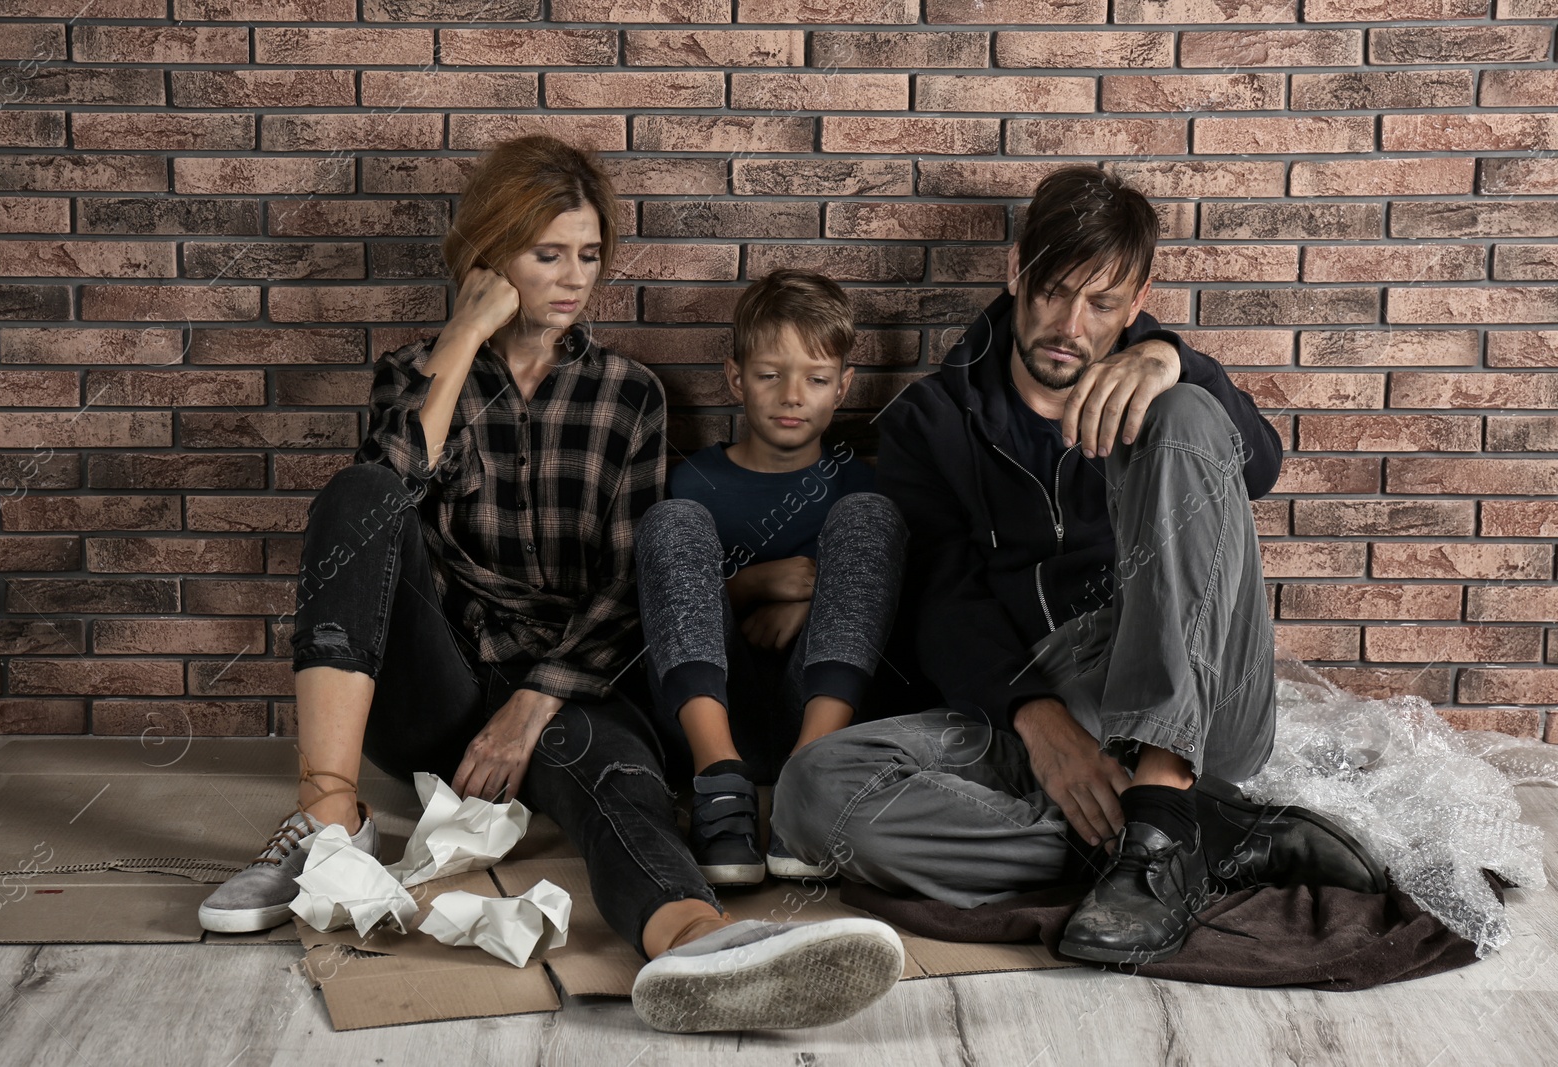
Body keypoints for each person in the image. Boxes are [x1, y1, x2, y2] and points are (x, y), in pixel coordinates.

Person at [196, 135, 905, 1032]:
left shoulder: (628, 395)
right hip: (438, 679)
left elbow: (625, 585)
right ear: (491, 257)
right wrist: (463, 332)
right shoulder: (415, 373)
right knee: (362, 488)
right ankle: (325, 822)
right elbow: (393, 487)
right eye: (546, 254)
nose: (574, 279)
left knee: (621, 778)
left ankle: (698, 940)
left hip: (570, 682)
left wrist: (532, 703)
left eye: (589, 254)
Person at [772, 165, 1386, 966]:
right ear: (1015, 269)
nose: (1070, 323)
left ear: (1136, 299)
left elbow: (1259, 466)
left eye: (1102, 303)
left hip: (1204, 702)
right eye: (1055, 290)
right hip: (1044, 691)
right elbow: (943, 601)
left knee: (1189, 415)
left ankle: (1165, 796)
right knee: (812, 793)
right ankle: (1185, 840)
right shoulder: (933, 420)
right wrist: (1040, 722)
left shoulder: (1169, 382)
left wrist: (1177, 360)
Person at [633, 269, 908, 885]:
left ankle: (807, 782)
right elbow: (672, 602)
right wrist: (754, 585)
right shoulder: (694, 480)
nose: (792, 396)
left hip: (812, 720)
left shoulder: (854, 486)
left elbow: (864, 609)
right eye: (768, 375)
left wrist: (806, 605)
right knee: (671, 522)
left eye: (814, 379)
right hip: (704, 714)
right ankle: (719, 785)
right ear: (735, 378)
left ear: (842, 387)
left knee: (873, 517)